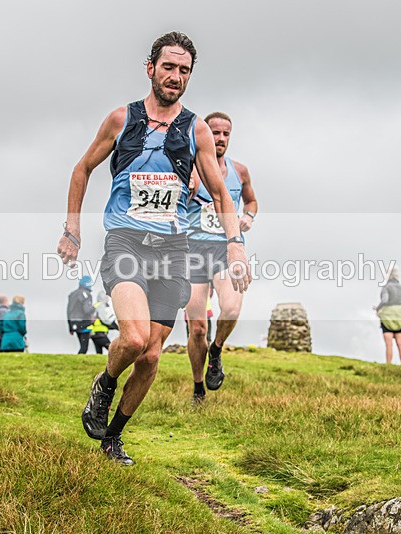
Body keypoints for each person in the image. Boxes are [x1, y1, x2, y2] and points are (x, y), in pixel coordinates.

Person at [57, 31, 251, 466]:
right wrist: (72, 228)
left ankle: (113, 437)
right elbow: (82, 169)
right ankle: (104, 384)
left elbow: (220, 194)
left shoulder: (196, 129)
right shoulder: (120, 120)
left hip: (173, 249)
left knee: (150, 356)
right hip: (126, 240)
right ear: (150, 68)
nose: (175, 77)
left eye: (184, 71)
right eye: (168, 67)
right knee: (134, 336)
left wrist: (235, 245)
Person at [184, 111, 258, 403]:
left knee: (231, 310)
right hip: (193, 251)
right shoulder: (190, 167)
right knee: (197, 326)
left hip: (226, 248)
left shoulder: (240, 171)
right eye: (215, 133)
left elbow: (251, 200)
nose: (221, 139)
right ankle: (198, 386)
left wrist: (249, 216)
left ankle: (216, 350)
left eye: (226, 134)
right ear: (204, 134)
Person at [374, 266, 401, 365]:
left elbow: (385, 300)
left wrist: (377, 308)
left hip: (388, 314)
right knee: (400, 342)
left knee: (389, 343)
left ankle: (389, 363)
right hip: (400, 314)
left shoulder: (386, 287)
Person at [67, 276, 96, 354]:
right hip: (84, 322)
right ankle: (78, 363)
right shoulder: (86, 294)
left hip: (74, 323)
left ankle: (79, 360)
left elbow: (68, 311)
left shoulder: (72, 294)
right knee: (84, 347)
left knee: (82, 345)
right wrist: (95, 307)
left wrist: (70, 327)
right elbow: (87, 310)